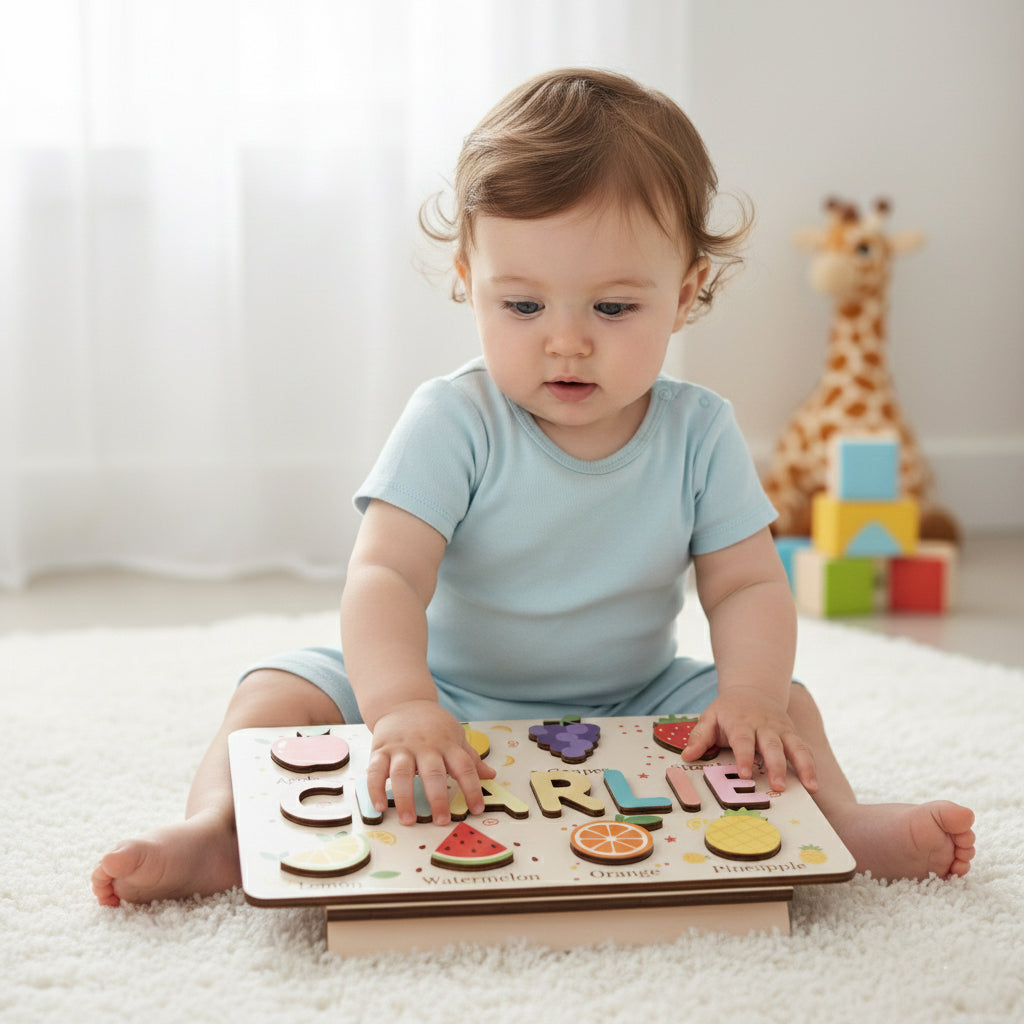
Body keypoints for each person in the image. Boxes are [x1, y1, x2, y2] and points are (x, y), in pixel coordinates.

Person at [92, 68, 974, 907]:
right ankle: (215, 831)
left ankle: (840, 821)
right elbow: (386, 577)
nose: (566, 342)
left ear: (688, 290)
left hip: (632, 694)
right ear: (470, 284)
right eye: (523, 307)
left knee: (786, 704)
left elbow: (745, 583)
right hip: (440, 685)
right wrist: (400, 705)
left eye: (613, 309)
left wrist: (746, 697)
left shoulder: (699, 432)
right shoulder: (454, 420)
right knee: (273, 693)